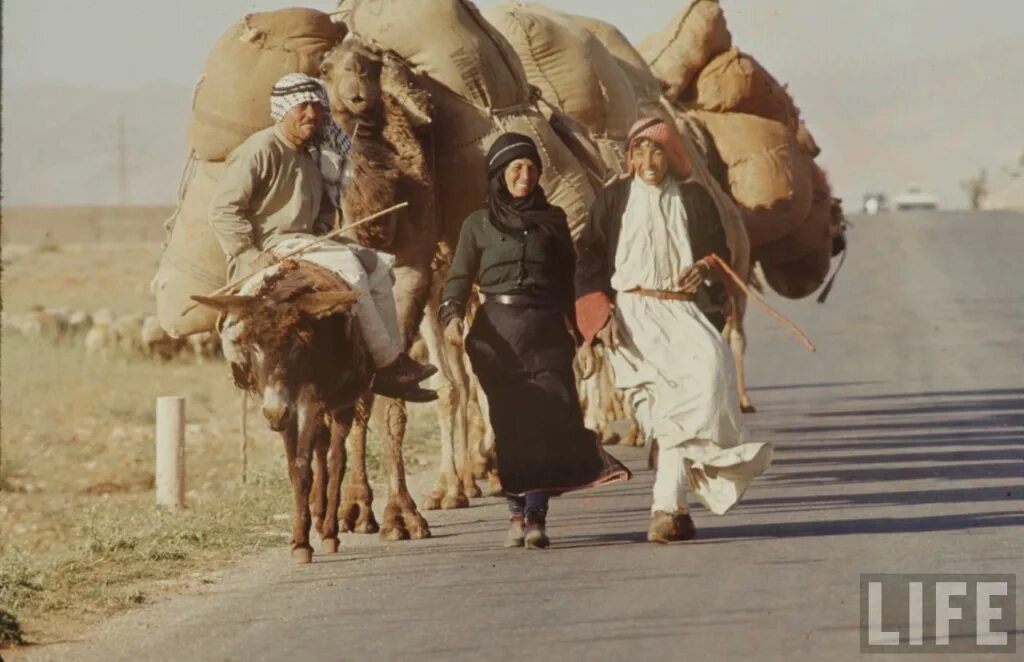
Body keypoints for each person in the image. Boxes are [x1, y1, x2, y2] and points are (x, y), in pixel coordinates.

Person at [575, 117, 773, 543]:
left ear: (672, 156)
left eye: (657, 150)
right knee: (665, 415)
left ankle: (667, 507)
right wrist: (597, 316)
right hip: (631, 315)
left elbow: (718, 250)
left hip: (682, 312)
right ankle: (671, 509)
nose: (648, 160)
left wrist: (704, 266)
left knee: (712, 374)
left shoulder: (694, 198)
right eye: (640, 151)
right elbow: (588, 259)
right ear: (629, 158)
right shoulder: (613, 200)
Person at [439, 133, 630, 550]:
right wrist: (452, 315)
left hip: (545, 331)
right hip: (497, 335)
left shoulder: (554, 220)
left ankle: (538, 516)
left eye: (531, 168)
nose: (524, 176)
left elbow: (569, 284)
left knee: (549, 420)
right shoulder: (477, 225)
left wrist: (584, 340)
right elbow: (457, 279)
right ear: (499, 175)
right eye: (515, 169)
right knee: (510, 426)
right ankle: (515, 513)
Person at [209, 73, 436, 402]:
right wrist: (249, 254)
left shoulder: (314, 153)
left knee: (380, 265)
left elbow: (322, 213)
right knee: (352, 268)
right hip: (271, 245)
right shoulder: (260, 149)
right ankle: (388, 365)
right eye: (302, 107)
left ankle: (387, 359)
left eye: (317, 107)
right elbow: (223, 210)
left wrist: (323, 232)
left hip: (307, 243)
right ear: (284, 110)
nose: (312, 115)